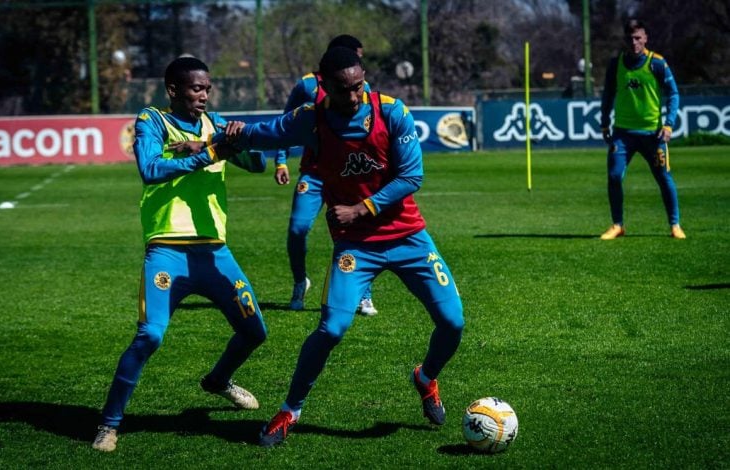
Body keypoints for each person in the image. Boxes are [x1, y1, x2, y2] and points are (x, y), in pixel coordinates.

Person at [222, 47, 465, 447]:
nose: (353, 96)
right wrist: (227, 133)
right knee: (332, 328)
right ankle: (289, 410)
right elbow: (269, 131)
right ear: (324, 83)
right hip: (357, 247)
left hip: (408, 237)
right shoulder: (312, 119)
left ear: (364, 78)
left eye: (358, 86)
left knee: (453, 323)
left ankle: (425, 377)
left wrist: (361, 208)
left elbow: (411, 176)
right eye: (342, 88)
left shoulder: (392, 112)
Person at [92, 57, 268, 452]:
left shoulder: (215, 124)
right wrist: (209, 153)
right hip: (167, 249)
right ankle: (108, 424)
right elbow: (150, 169)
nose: (203, 95)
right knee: (150, 334)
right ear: (173, 89)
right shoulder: (151, 120)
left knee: (255, 331)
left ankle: (218, 381)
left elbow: (255, 164)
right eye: (195, 88)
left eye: (207, 88)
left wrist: (238, 140)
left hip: (215, 252)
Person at [275, 34, 378, 316]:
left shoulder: (363, 89)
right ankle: (300, 282)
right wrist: (281, 161)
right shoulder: (307, 85)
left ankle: (363, 294)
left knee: (354, 231)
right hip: (314, 172)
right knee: (297, 229)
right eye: (357, 55)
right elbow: (286, 124)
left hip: (346, 173)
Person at [599, 18, 685, 240]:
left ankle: (675, 225)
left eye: (638, 37)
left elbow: (673, 94)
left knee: (664, 178)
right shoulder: (615, 64)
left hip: (652, 134)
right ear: (625, 39)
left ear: (645, 38)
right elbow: (608, 94)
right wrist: (605, 121)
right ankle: (617, 225)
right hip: (623, 134)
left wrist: (668, 124)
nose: (634, 42)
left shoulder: (657, 63)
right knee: (615, 176)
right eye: (630, 38)